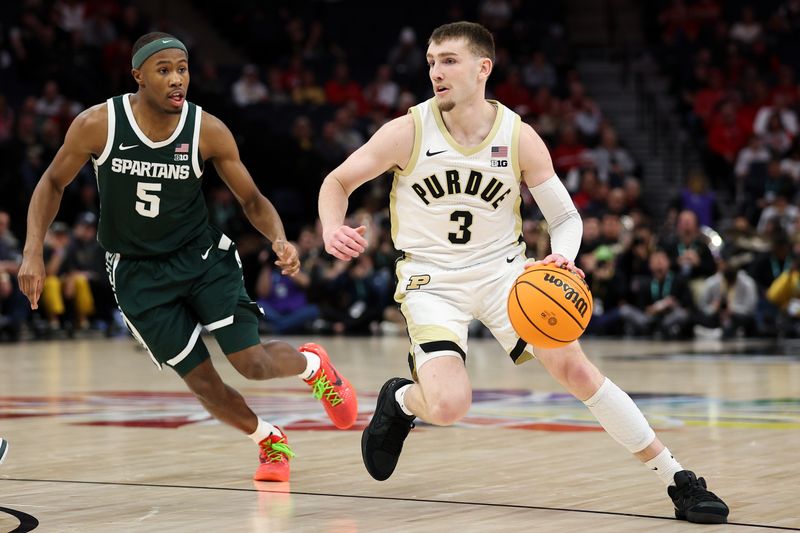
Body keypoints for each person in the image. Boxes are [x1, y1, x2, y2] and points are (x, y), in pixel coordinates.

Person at [318, 21, 728, 524]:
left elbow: (565, 218)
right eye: (431, 62)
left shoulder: (518, 136)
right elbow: (337, 181)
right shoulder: (408, 130)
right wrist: (332, 227)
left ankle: (677, 479)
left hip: (503, 273)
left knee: (578, 371)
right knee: (448, 406)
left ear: (482, 67)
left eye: (448, 60)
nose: (436, 72)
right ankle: (401, 400)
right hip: (433, 281)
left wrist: (564, 255)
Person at [17, 32, 357, 482]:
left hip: (201, 259)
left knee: (251, 365)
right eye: (164, 70)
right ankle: (268, 440)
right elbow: (51, 183)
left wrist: (279, 239)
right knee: (203, 384)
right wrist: (32, 252)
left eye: (183, 69)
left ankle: (314, 366)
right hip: (137, 274)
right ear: (138, 75)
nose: (177, 79)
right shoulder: (97, 124)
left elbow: (251, 198)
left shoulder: (207, 129)